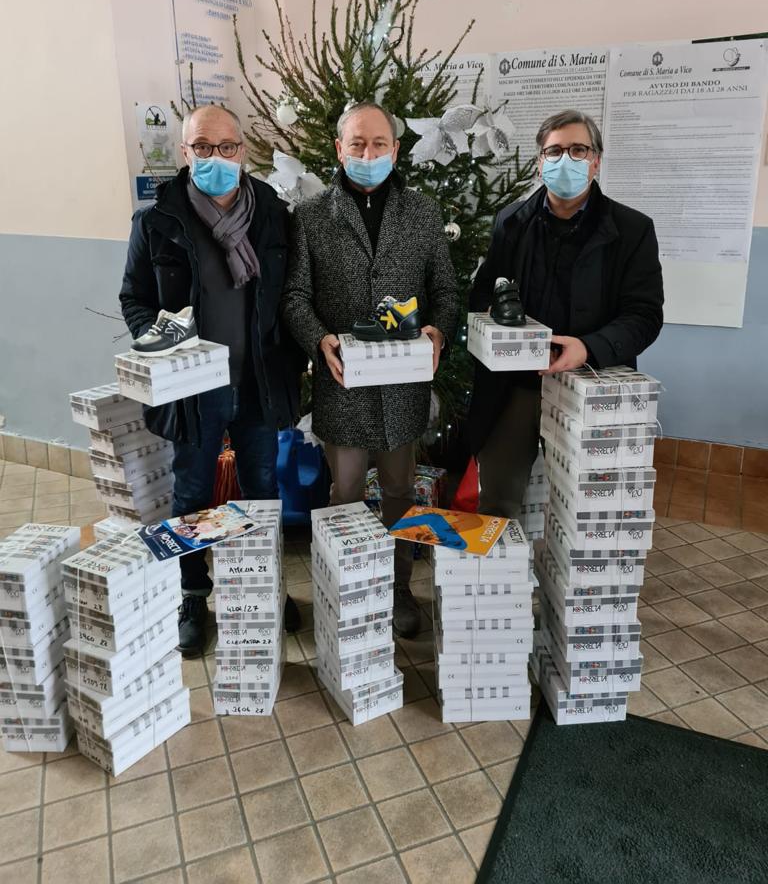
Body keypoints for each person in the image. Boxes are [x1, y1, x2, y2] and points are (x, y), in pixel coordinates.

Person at [120, 104, 303, 657]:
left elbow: (290, 295)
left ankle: (265, 584)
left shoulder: (272, 214)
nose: (215, 158)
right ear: (185, 152)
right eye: (202, 147)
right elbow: (134, 299)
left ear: (242, 150)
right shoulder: (157, 221)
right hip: (192, 389)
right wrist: (163, 341)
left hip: (258, 382)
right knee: (193, 493)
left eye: (226, 147)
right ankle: (194, 594)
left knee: (262, 488)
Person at [281, 102, 459, 637]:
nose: (368, 152)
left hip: (403, 387)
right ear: (339, 149)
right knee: (345, 494)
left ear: (396, 150)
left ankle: (399, 588)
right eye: (357, 143)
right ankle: (349, 587)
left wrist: (438, 332)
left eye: (379, 143)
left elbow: (446, 290)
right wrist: (318, 339)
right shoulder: (311, 216)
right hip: (343, 385)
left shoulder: (422, 212)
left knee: (401, 492)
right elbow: (294, 295)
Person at [468, 108, 664, 518]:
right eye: (554, 151)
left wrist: (588, 348)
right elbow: (484, 290)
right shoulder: (511, 221)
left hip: (590, 383)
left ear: (596, 161)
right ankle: (505, 560)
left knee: (585, 508)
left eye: (578, 150)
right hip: (516, 387)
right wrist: (493, 315)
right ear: (540, 162)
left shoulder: (633, 229)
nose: (565, 160)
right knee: (500, 497)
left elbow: (644, 315)